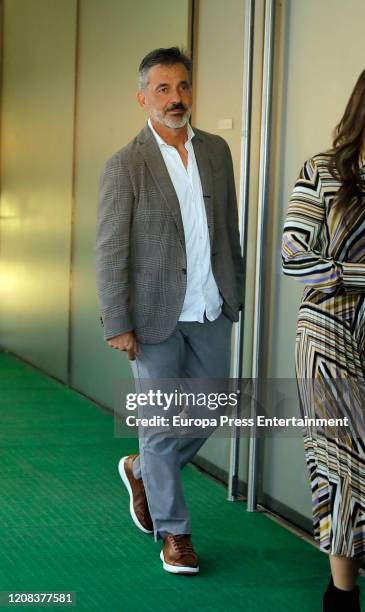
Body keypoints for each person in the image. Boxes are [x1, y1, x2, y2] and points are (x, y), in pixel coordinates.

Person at [96, 47, 244, 575]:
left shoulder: (218, 152)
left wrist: (235, 292)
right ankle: (175, 534)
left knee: (214, 406)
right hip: (153, 316)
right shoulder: (125, 165)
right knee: (160, 423)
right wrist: (117, 322)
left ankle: (141, 470)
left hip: (209, 307)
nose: (176, 98)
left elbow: (227, 229)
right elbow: (111, 248)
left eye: (182, 86)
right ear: (143, 98)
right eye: (163, 89)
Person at [282, 70, 365, 611]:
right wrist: (356, 273)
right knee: (342, 465)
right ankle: (342, 594)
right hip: (328, 336)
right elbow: (294, 254)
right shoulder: (324, 171)